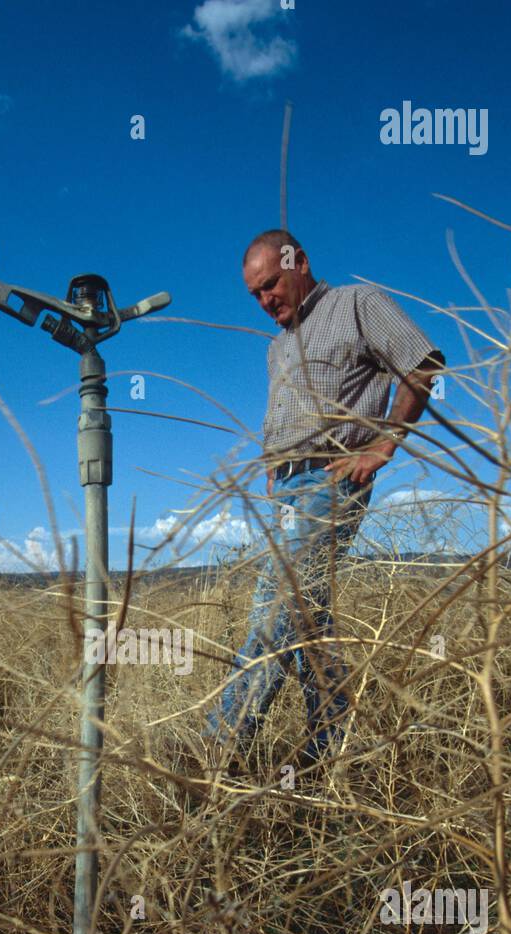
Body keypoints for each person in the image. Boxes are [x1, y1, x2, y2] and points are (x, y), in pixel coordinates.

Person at [202, 229, 444, 767]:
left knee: (277, 607)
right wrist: (272, 468)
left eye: (271, 285)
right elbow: (284, 417)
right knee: (310, 620)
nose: (266, 301)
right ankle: (327, 752)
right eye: (255, 295)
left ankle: (215, 748)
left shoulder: (356, 304)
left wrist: (383, 445)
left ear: (299, 262)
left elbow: (422, 363)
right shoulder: (277, 347)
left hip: (334, 479)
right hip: (287, 489)